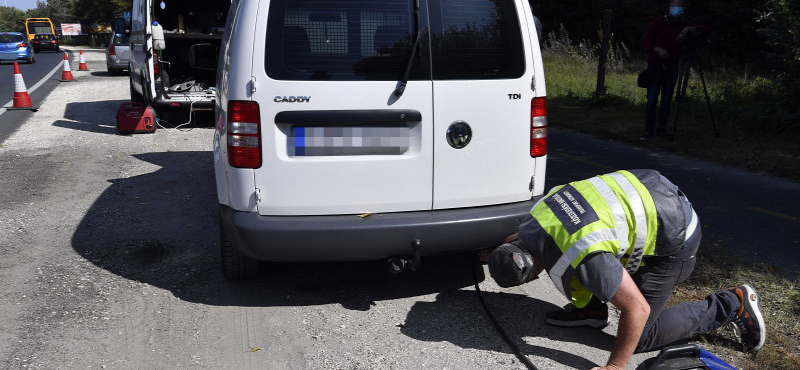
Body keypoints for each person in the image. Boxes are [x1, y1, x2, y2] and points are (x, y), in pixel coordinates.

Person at [484, 169, 765, 370]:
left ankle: (731, 304)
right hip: (651, 189)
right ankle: (593, 311)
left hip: (678, 235)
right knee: (586, 264)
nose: (536, 280)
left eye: (532, 277)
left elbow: (637, 309)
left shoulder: (584, 251)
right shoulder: (536, 215)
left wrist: (616, 366)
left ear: (532, 272)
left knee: (642, 333)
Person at [641, 0, 707, 139]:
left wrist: (687, 29)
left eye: (680, 6)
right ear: (669, 8)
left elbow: (704, 29)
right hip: (655, 65)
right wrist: (658, 49)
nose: (676, 9)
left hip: (671, 66)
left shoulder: (683, 24)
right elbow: (646, 43)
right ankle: (649, 130)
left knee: (666, 100)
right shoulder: (657, 23)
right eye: (674, 6)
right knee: (652, 99)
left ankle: (661, 130)